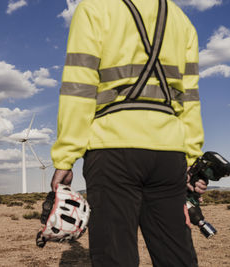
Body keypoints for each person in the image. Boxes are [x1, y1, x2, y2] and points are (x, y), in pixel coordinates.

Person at [50, 0, 207, 266]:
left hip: (112, 148)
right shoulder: (181, 20)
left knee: (114, 255)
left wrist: (66, 157)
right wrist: (193, 158)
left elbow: (79, 86)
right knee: (176, 255)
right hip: (169, 153)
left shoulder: (94, 8)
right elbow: (190, 98)